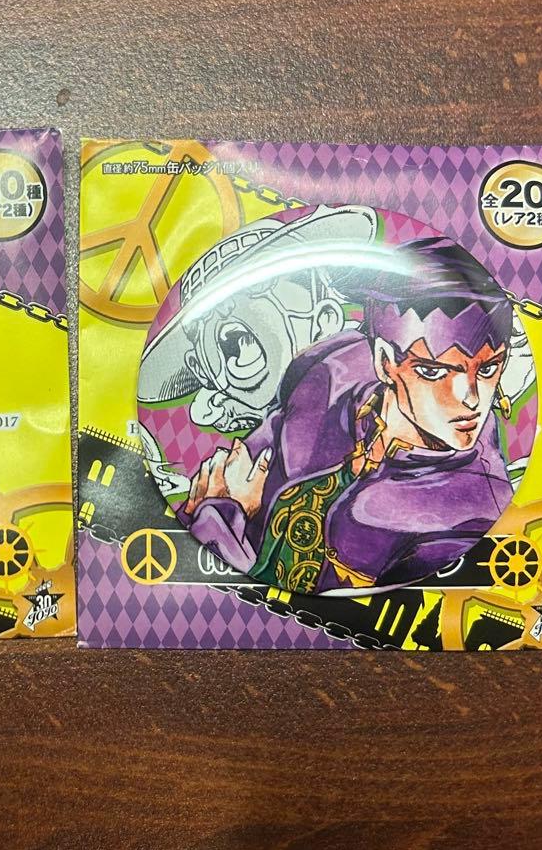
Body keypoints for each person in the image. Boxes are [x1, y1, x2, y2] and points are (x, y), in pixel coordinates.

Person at [183, 235, 515, 595]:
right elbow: (232, 469)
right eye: (433, 372)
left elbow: (288, 610)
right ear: (385, 362)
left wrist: (218, 517)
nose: (471, 399)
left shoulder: (466, 518)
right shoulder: (331, 374)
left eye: (488, 369)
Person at [137, 205, 377, 435]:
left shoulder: (374, 393)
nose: (224, 307)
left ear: (325, 321)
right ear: (200, 369)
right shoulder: (249, 453)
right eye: (204, 314)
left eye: (255, 285)